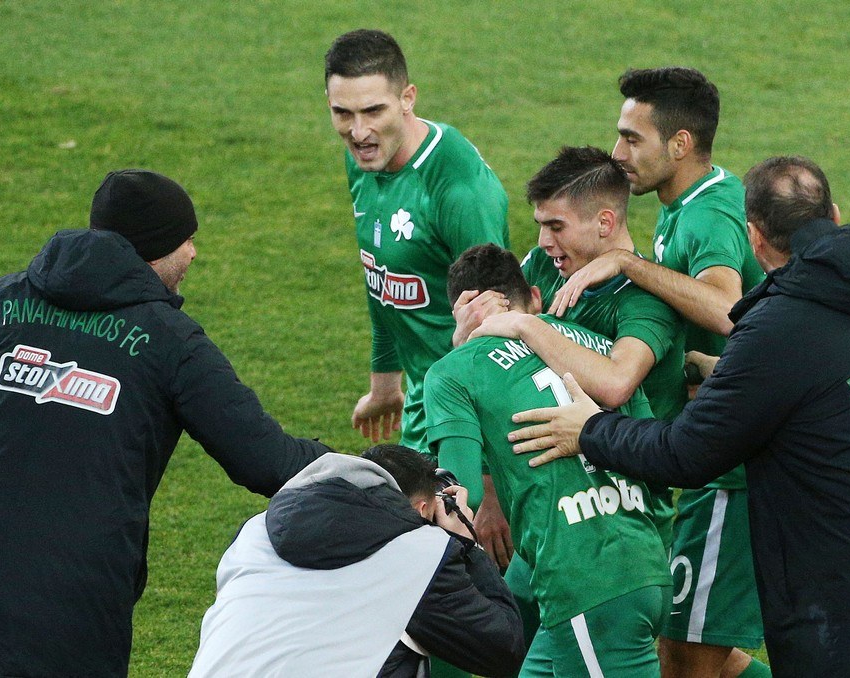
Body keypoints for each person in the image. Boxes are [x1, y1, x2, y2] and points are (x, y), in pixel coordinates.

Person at [508, 156, 850, 677]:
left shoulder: (777, 328)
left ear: (754, 239)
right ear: (834, 215)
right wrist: (731, 375)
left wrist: (590, 430)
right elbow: (832, 383)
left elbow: (684, 454)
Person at [0, 169, 332, 677]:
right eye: (186, 239)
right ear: (154, 249)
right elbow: (269, 462)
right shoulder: (169, 340)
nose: (193, 253)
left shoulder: (5, 300)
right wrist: (377, 470)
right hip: (71, 608)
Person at [546, 67, 767, 678]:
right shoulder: (684, 206)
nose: (617, 154)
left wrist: (628, 264)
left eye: (631, 139)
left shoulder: (708, 214)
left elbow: (726, 310)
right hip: (717, 450)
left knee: (684, 655)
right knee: (698, 648)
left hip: (732, 471)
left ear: (679, 144)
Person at [424, 244, 672, 677]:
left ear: (461, 312)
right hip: (643, 563)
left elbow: (461, 497)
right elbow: (654, 460)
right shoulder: (597, 348)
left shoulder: (454, 371)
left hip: (586, 583)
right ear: (534, 298)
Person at [325, 28, 510, 454]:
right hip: (423, 401)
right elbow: (381, 279)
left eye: (373, 111)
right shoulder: (367, 161)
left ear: (407, 98)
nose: (358, 132)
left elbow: (499, 322)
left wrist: (482, 463)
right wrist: (385, 385)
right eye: (342, 113)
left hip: (466, 412)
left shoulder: (459, 189)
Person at [189, 445, 525, 677]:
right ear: (424, 509)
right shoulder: (420, 552)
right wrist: (465, 544)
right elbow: (503, 649)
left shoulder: (254, 531)